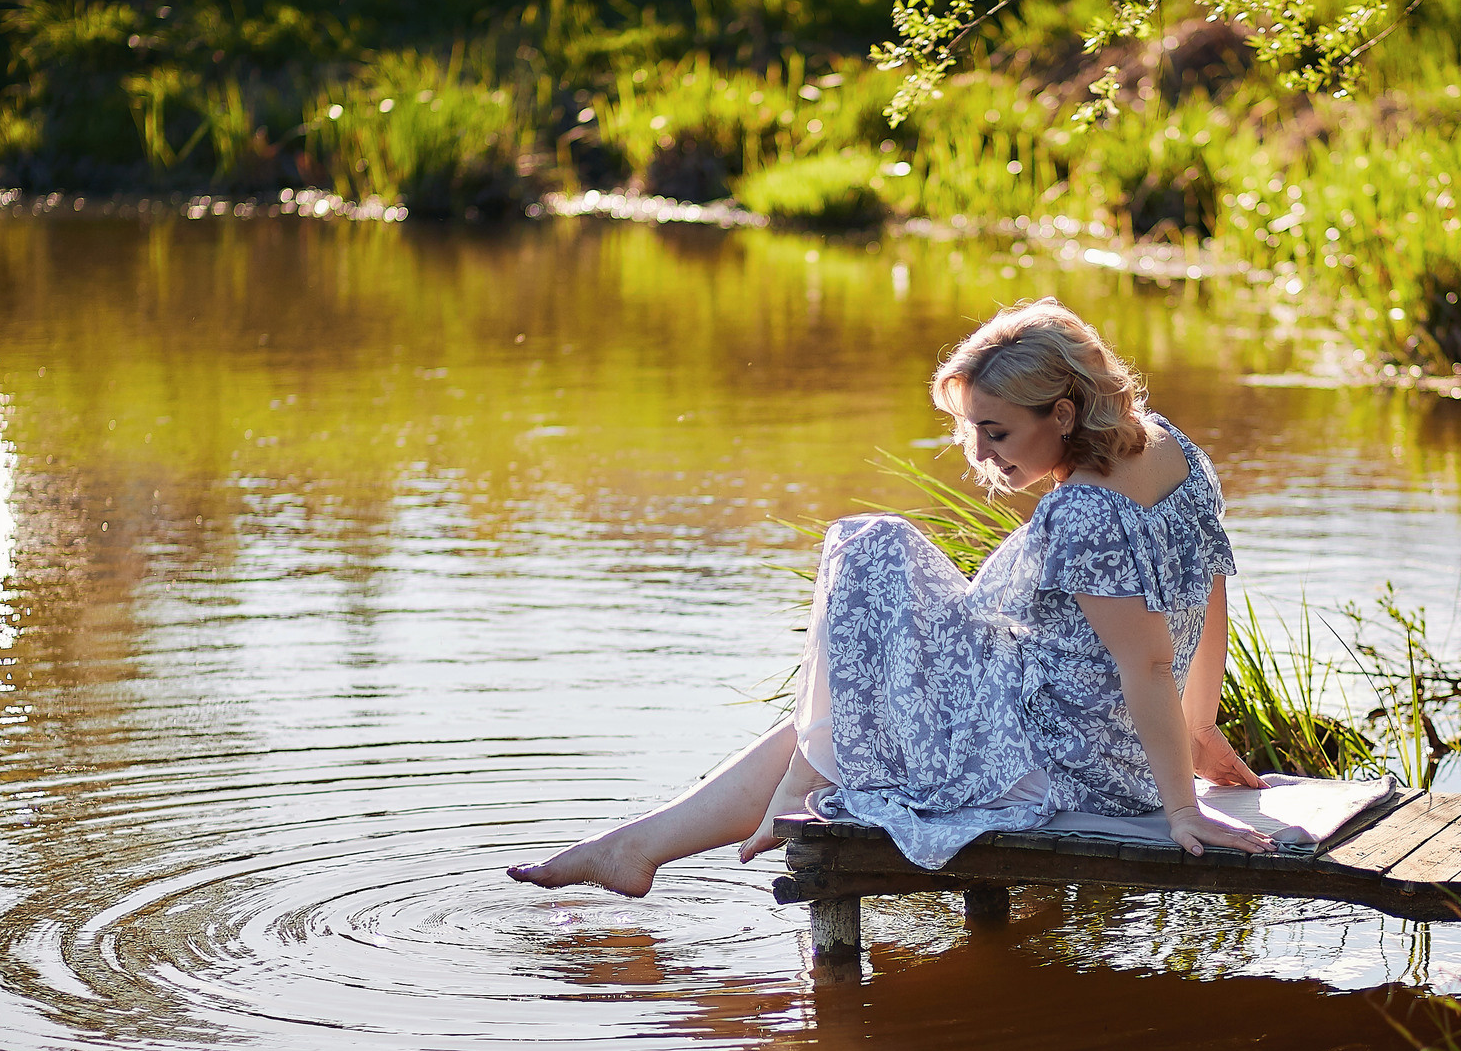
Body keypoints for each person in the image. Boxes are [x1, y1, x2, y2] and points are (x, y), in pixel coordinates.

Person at [508, 298, 1271, 899]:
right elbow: (1211, 585)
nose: (980, 456)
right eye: (971, 431)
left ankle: (774, 792)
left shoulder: (1086, 511)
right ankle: (637, 846)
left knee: (872, 547)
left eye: (997, 432)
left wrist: (1181, 809)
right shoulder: (1173, 448)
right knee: (859, 695)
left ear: (1063, 415)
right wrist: (1199, 726)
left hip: (1066, 759)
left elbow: (1147, 664)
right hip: (1095, 737)